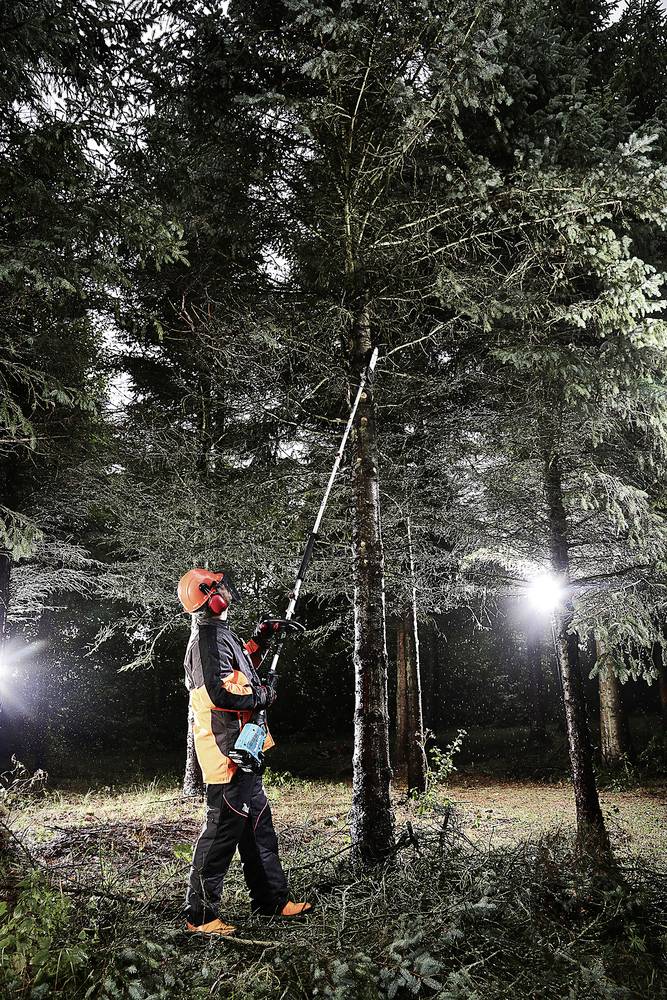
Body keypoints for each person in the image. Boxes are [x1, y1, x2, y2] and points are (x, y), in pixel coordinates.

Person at [177, 567, 312, 936]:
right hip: (227, 752)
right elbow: (219, 693)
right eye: (219, 587)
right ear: (210, 598)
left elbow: (243, 666)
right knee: (222, 831)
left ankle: (271, 900)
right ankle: (200, 916)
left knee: (258, 827)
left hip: (244, 748)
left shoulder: (220, 633)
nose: (226, 589)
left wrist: (261, 638)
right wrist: (262, 696)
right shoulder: (206, 639)